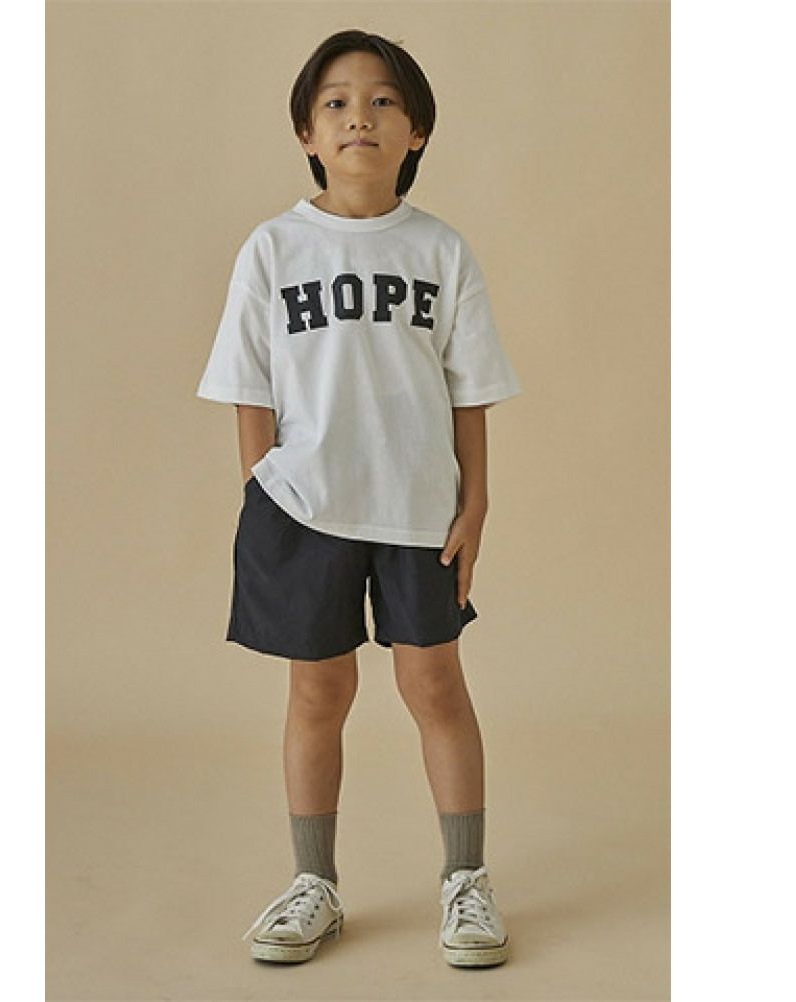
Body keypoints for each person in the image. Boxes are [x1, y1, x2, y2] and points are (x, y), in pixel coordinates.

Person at [196, 28, 522, 968]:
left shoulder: (440, 250)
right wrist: (263, 485)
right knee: (317, 690)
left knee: (435, 684)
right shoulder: (274, 247)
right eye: (335, 103)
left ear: (417, 130)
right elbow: (249, 383)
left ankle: (465, 879)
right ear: (307, 131)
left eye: (382, 101)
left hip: (419, 510)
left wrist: (476, 504)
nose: (359, 117)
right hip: (305, 506)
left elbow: (468, 391)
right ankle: (315, 884)